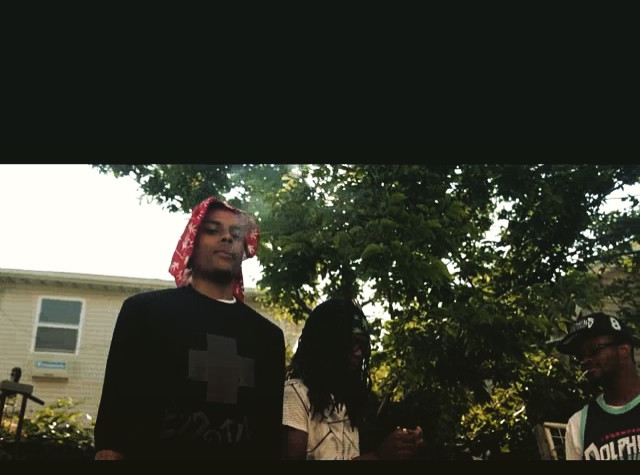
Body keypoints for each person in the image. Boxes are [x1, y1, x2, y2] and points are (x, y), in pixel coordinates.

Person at [93, 196, 286, 460]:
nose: (227, 238)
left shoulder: (267, 337)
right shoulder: (144, 313)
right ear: (191, 242)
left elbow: (269, 434)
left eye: (236, 234)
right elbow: (115, 413)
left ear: (244, 251)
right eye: (213, 230)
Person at [282, 297, 424, 460]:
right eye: (352, 343)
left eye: (363, 346)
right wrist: (378, 456)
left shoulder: (350, 401)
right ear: (328, 342)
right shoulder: (295, 394)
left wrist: (406, 442)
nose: (359, 353)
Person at [556, 311, 640, 460]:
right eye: (579, 357)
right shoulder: (579, 425)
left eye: (594, 350)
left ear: (624, 350)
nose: (585, 360)